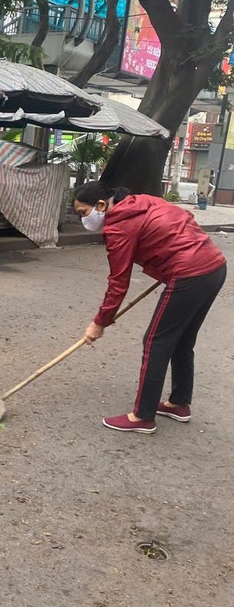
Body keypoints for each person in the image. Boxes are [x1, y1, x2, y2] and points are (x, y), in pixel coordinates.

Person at [75, 180, 227, 434]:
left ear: (101, 204)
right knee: (181, 340)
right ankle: (178, 403)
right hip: (214, 266)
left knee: (156, 342)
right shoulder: (142, 201)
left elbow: (118, 282)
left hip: (189, 273)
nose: (84, 219)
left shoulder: (119, 226)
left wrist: (100, 322)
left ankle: (143, 416)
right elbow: (184, 218)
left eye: (83, 212)